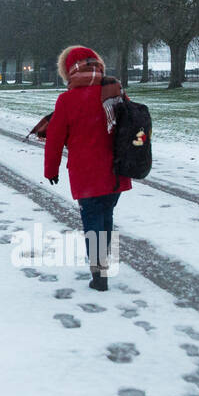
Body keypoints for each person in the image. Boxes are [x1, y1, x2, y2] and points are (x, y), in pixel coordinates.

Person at [42, 45, 132, 292]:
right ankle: (103, 266)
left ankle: (99, 275)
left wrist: (51, 169)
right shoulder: (114, 90)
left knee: (93, 220)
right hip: (116, 171)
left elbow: (55, 138)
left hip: (87, 174)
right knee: (107, 218)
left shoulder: (67, 100)